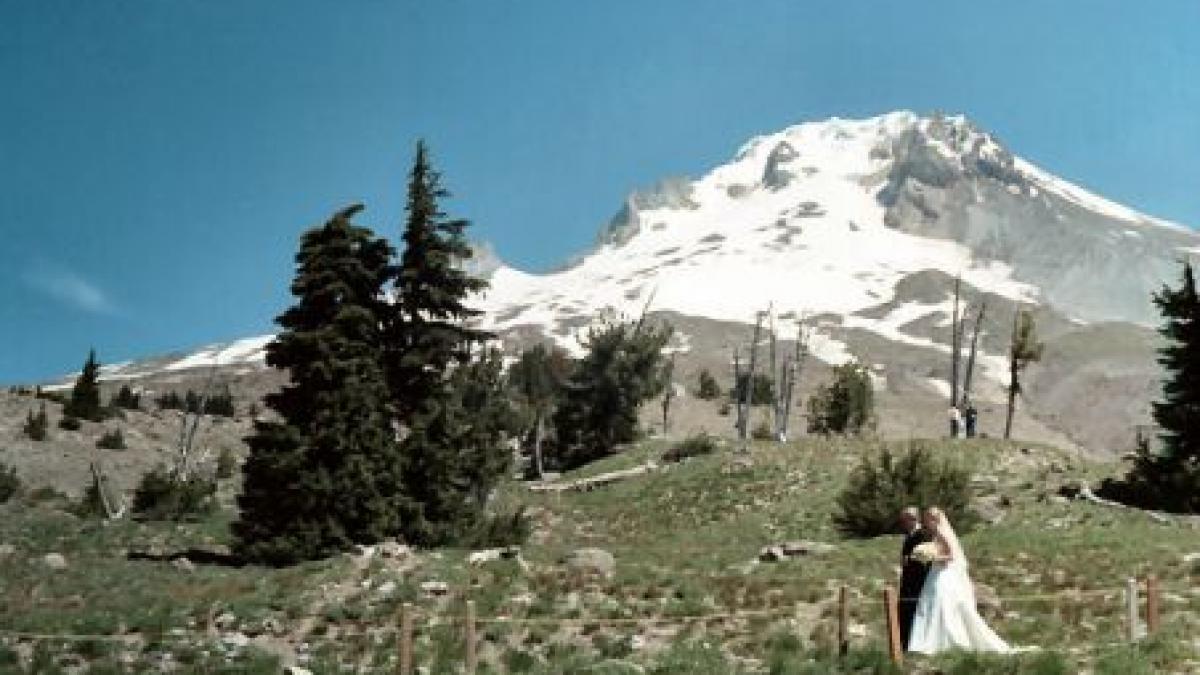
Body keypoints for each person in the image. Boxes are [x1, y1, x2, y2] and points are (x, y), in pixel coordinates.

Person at [907, 507, 1011, 654]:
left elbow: (950, 556)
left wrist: (931, 557)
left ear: (934, 520)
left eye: (928, 519)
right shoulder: (936, 534)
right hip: (937, 572)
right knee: (933, 603)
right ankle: (932, 640)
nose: (926, 522)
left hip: (942, 573)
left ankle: (943, 640)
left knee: (940, 603)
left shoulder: (942, 533)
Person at [898, 506, 932, 651]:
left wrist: (911, 560)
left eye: (905, 519)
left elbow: (925, 558)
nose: (903, 523)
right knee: (904, 609)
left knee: (913, 609)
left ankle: (911, 642)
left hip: (917, 579)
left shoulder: (922, 535)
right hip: (907, 579)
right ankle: (904, 642)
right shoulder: (909, 535)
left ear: (913, 519)